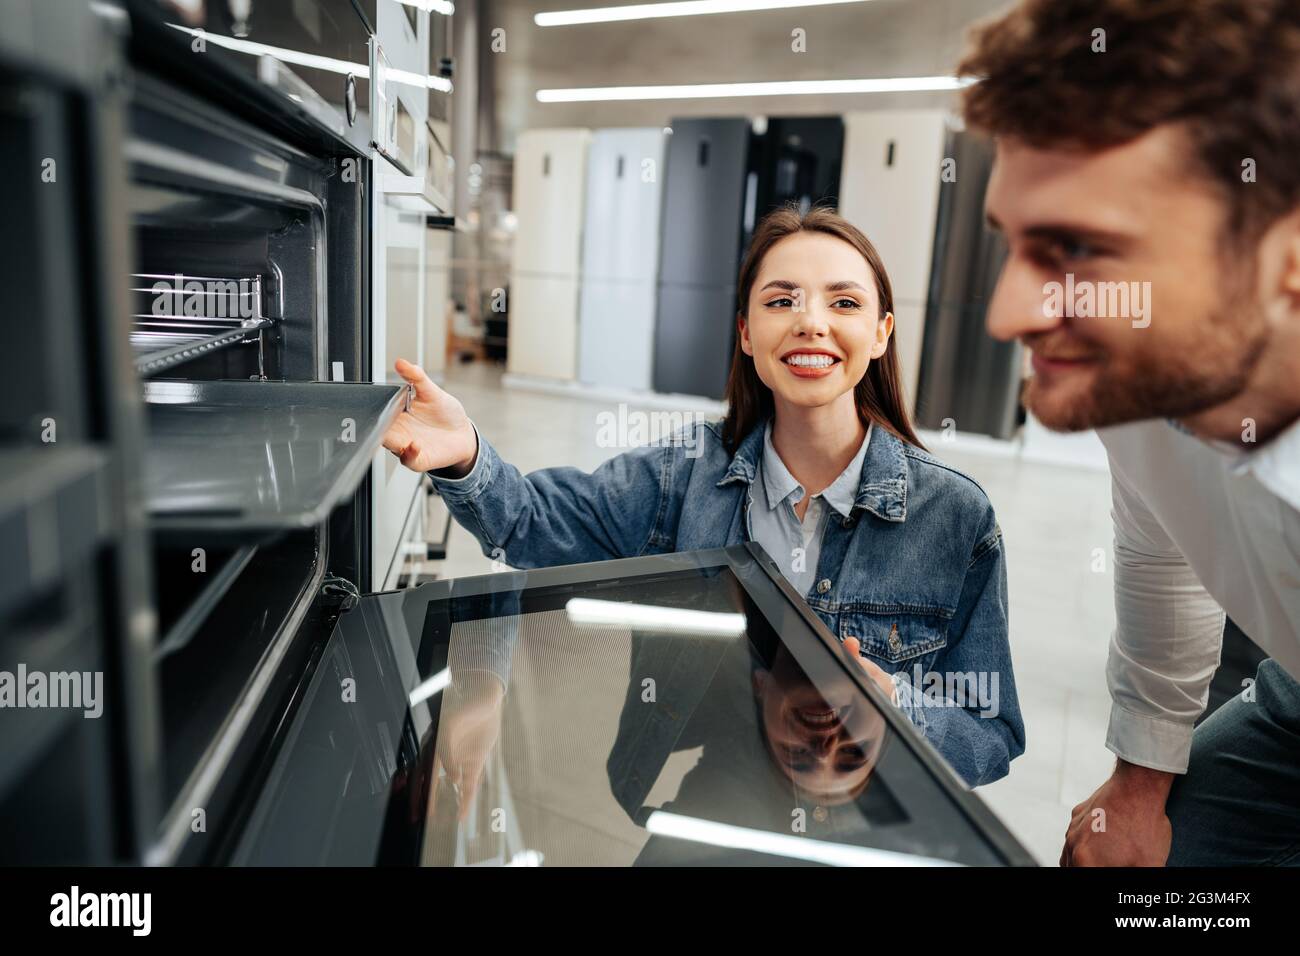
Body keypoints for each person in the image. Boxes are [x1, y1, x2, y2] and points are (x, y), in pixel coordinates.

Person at [383, 204, 1025, 788]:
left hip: (873, 815)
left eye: (844, 303)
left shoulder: (955, 519)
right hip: (711, 792)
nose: (810, 323)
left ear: (882, 333)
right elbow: (528, 523)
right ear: (746, 333)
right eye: (782, 301)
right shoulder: (679, 479)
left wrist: (890, 706)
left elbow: (990, 735)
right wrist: (465, 452)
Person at [959, 0, 1300, 864]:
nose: (1009, 315)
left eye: (1080, 253)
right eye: (1019, 247)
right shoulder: (1148, 396)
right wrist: (1141, 778)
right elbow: (1160, 546)